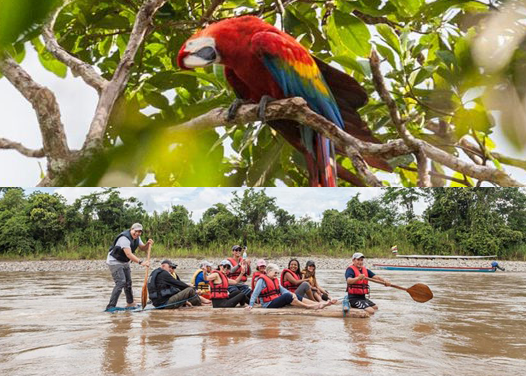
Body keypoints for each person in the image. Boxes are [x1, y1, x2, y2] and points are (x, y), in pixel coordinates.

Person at [105, 223, 153, 311]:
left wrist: (147, 244)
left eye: (139, 232)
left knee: (128, 282)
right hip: (114, 261)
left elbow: (142, 248)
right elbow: (128, 254)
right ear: (131, 229)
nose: (137, 233)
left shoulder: (137, 237)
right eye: (136, 231)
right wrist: (141, 262)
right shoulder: (124, 238)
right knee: (121, 282)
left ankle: (130, 303)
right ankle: (111, 306)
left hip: (124, 261)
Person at [247, 264, 329, 310]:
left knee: (293, 295)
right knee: (287, 296)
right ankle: (309, 307)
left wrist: (292, 294)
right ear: (268, 271)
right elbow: (255, 293)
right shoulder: (261, 280)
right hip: (267, 304)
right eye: (275, 273)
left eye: (277, 273)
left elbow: (282, 290)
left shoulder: (274, 280)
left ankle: (318, 304)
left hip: (274, 300)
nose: (276, 275)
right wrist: (250, 305)